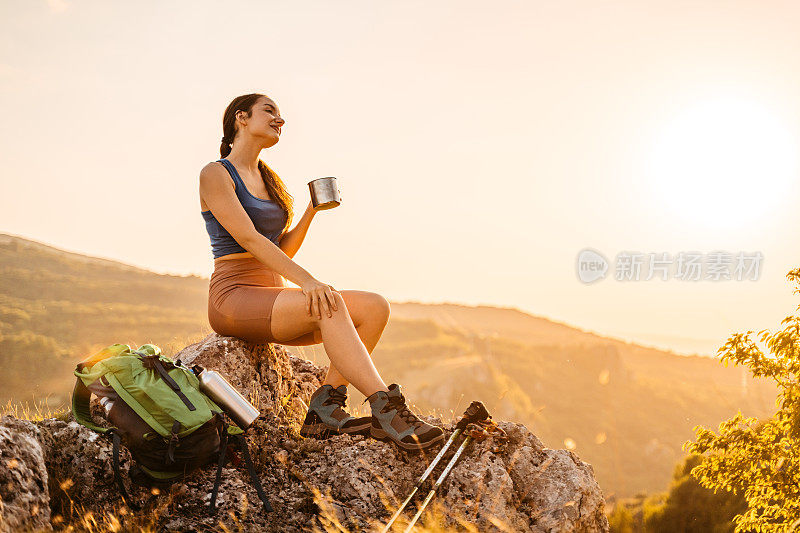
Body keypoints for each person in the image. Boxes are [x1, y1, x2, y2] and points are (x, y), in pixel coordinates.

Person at [199, 93, 444, 451]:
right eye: (270, 111)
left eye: (281, 115)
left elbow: (278, 248)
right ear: (241, 118)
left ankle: (325, 407)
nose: (280, 120)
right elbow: (248, 239)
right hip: (234, 298)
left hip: (272, 297)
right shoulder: (215, 173)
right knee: (326, 302)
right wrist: (308, 282)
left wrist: (310, 211)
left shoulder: (266, 178)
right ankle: (386, 408)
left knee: (375, 307)